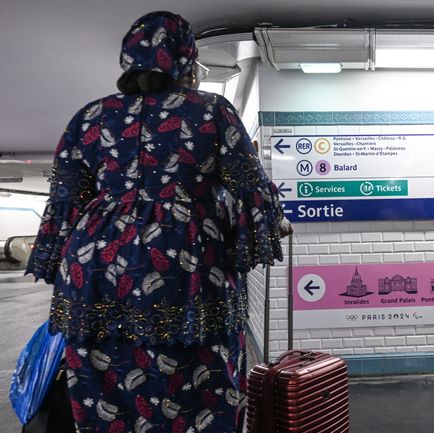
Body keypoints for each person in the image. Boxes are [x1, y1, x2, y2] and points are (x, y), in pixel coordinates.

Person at [26, 11, 290, 432]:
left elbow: (64, 200)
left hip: (97, 265)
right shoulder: (211, 112)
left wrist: (54, 254)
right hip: (186, 261)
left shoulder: (90, 116)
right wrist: (260, 232)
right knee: (200, 374)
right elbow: (250, 188)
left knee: (104, 375)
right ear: (185, 56)